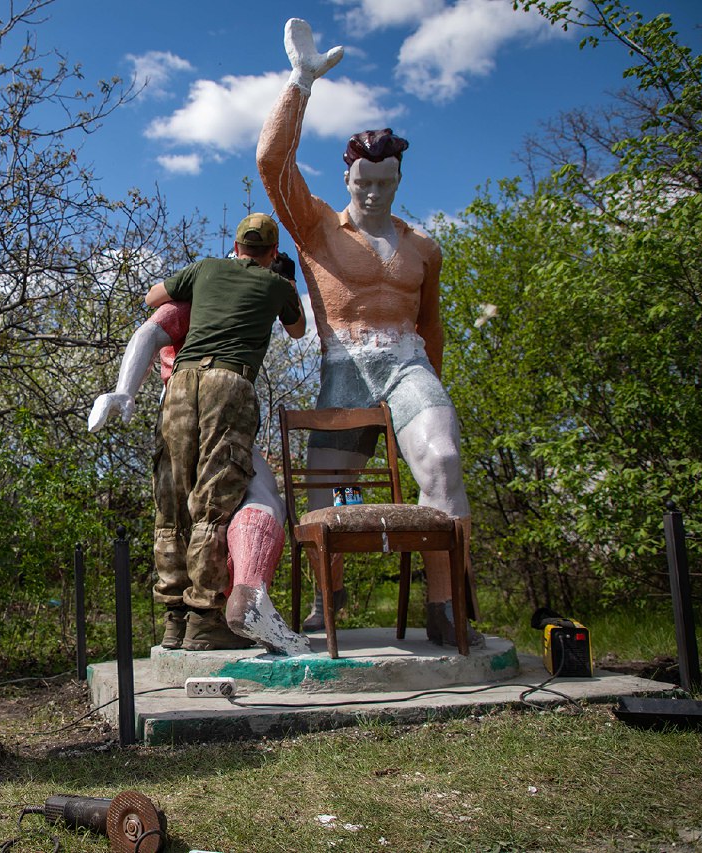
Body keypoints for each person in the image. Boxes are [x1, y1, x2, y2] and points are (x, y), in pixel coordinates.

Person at [257, 19, 482, 646]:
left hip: (409, 366)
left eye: (386, 184)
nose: (375, 195)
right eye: (363, 184)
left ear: (399, 180)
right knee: (327, 502)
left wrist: (434, 387)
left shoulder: (424, 248)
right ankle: (323, 609)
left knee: (443, 461)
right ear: (347, 179)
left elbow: (430, 325)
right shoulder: (319, 229)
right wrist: (300, 83)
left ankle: (450, 608)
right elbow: (272, 163)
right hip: (345, 368)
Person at [88, 253, 314, 656]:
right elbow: (148, 331)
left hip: (188, 407)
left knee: (187, 509)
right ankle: (208, 615)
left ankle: (191, 617)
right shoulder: (202, 295)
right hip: (198, 407)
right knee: (223, 505)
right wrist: (125, 390)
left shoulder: (223, 291)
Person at [142, 214, 307, 651]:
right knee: (214, 500)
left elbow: (152, 296)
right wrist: (283, 282)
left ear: (235, 245)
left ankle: (173, 621)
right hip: (229, 384)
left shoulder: (206, 268)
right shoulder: (277, 285)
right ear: (272, 253)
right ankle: (204, 619)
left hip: (180, 382)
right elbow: (298, 329)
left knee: (173, 497)